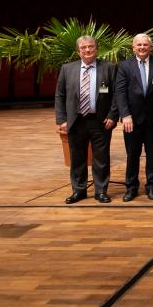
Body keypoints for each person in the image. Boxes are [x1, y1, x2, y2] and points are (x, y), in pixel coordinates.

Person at [55, 35, 117, 204]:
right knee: (77, 158)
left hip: (101, 121)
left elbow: (116, 95)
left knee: (101, 158)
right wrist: (62, 120)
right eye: (84, 48)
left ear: (96, 49)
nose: (88, 50)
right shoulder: (67, 69)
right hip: (76, 121)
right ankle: (79, 190)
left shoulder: (109, 68)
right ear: (78, 51)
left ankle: (101, 191)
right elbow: (60, 95)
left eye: (91, 47)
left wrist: (112, 116)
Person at [115, 33, 153, 201]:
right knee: (132, 154)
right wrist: (125, 115)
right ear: (133, 47)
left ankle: (151, 185)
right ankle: (131, 186)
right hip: (132, 120)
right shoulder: (124, 66)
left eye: (145, 45)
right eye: (139, 45)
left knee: (152, 154)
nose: (142, 47)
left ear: (150, 47)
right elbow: (120, 93)